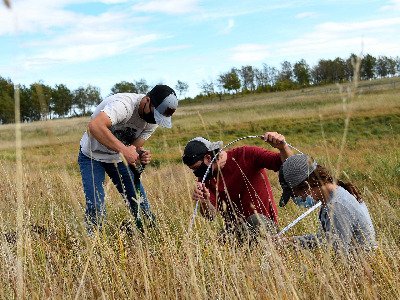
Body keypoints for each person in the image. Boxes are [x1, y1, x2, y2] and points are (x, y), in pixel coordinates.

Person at [78, 85, 178, 234]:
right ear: (147, 100)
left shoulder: (153, 121)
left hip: (118, 159)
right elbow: (95, 126)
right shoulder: (123, 105)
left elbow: (134, 147)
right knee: (96, 206)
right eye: (154, 114)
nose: (154, 120)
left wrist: (139, 155)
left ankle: (145, 235)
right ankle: (93, 241)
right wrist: (124, 150)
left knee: (141, 206)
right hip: (92, 156)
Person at [182, 132, 293, 244]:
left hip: (263, 225)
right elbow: (210, 216)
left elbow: (290, 167)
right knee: (209, 245)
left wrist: (283, 148)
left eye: (197, 168)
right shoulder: (205, 177)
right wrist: (204, 201)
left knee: (255, 220)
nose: (196, 173)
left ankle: (280, 243)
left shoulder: (247, 154)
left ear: (208, 158)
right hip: (236, 231)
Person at [278, 154, 377, 254]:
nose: (295, 200)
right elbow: (328, 238)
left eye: (294, 195)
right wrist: (291, 241)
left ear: (306, 186)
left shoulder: (336, 206)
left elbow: (340, 256)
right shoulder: (336, 194)